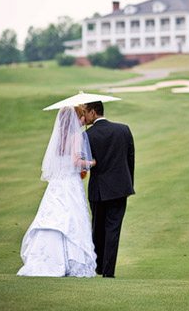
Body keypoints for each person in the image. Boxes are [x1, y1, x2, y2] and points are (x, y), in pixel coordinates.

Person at [17, 106, 97, 277]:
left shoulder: (58, 138)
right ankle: (71, 261)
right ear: (76, 119)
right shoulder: (75, 136)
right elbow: (76, 161)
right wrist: (90, 163)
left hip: (57, 184)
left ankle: (45, 258)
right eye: (81, 117)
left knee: (53, 215)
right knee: (71, 218)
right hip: (70, 184)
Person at [83, 101, 135, 278]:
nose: (84, 117)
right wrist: (128, 184)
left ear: (93, 112)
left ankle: (98, 267)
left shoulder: (87, 135)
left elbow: (86, 165)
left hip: (98, 190)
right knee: (113, 229)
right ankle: (108, 272)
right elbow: (130, 159)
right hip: (120, 188)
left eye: (86, 112)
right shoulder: (124, 130)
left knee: (97, 229)